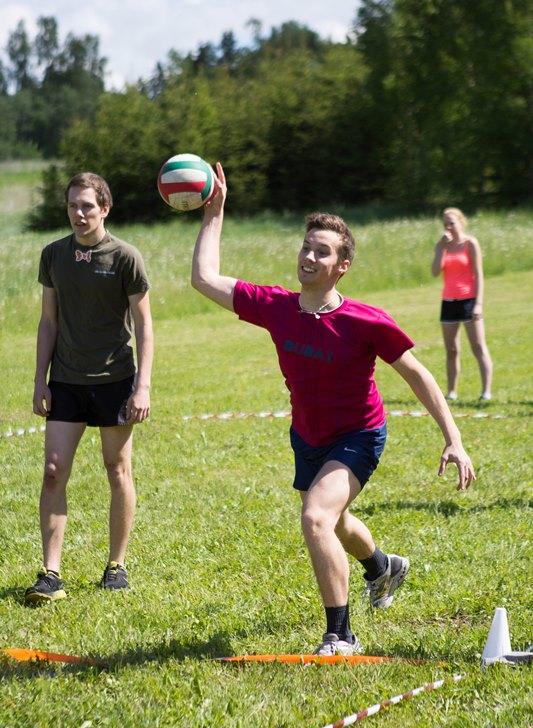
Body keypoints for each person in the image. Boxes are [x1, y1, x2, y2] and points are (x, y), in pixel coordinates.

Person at [191, 164, 475, 655]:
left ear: (342, 265)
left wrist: (454, 439)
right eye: (306, 247)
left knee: (316, 517)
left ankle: (341, 634)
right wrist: (214, 213)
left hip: (359, 435)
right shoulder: (275, 306)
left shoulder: (366, 321)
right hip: (308, 435)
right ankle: (383, 567)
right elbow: (203, 278)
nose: (309, 256)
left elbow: (418, 375)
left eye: (322, 251)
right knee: (335, 521)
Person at [25, 172, 153, 605]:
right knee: (53, 471)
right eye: (72, 206)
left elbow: (144, 326)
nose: (79, 214)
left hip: (115, 380)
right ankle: (51, 573)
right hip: (66, 380)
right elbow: (48, 321)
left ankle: (116, 565)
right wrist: (40, 379)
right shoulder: (53, 255)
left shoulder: (125, 257)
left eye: (87, 206)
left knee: (117, 470)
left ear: (105, 208)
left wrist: (142, 386)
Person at [431, 207, 493, 401]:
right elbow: (435, 272)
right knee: (451, 350)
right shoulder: (442, 245)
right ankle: (451, 392)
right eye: (445, 224)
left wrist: (478, 304)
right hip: (448, 302)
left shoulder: (470, 243)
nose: (448, 227)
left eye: (452, 223)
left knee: (478, 347)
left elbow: (479, 275)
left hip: (469, 300)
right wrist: (440, 248)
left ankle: (486, 391)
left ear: (461, 222)